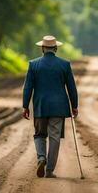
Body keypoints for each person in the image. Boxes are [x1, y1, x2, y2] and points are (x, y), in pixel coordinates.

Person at [22, 35, 78, 178]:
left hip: (40, 106)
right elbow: (71, 87)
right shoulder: (64, 64)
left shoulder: (33, 64)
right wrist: (74, 105)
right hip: (59, 107)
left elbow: (27, 87)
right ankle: (49, 171)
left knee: (40, 134)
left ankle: (41, 158)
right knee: (55, 138)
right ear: (56, 48)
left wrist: (25, 106)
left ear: (42, 48)